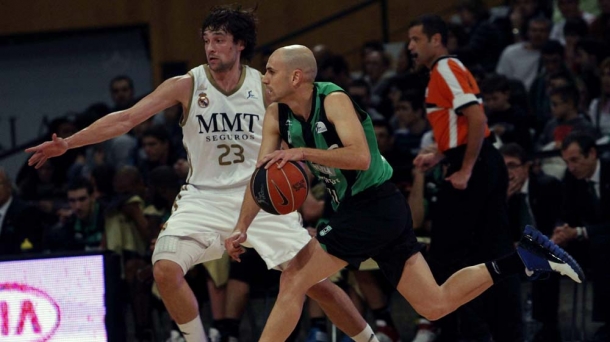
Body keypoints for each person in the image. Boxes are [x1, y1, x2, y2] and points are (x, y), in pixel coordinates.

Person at [25, 5, 377, 342]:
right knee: (164, 268)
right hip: (203, 197)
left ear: (240, 44)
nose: (210, 48)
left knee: (316, 283)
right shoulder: (187, 84)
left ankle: (370, 339)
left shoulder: (268, 88)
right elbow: (126, 118)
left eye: (219, 40)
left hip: (262, 197)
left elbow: (301, 138)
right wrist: (69, 143)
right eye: (207, 40)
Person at [223, 43, 584, 342]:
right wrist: (242, 225)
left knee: (294, 279)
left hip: (373, 204)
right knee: (435, 304)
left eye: (270, 70)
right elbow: (262, 176)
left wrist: (301, 152)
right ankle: (522, 257)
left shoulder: (333, 100)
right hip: (369, 211)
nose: (265, 77)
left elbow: (360, 157)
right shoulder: (276, 115)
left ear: (296, 76)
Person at [410, 14, 523, 341]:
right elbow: (463, 127)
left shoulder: (446, 68)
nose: (411, 47)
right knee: (487, 254)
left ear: (436, 40)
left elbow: (476, 117)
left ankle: (466, 333)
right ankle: (497, 332)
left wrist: (465, 169)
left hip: (476, 167)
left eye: (416, 40)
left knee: (446, 257)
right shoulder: (441, 73)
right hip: (475, 161)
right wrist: (441, 155)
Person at [552, 131, 610, 342]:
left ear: (592, 153)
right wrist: (560, 230)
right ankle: (548, 323)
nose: (571, 167)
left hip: (601, 238)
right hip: (590, 240)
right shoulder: (572, 177)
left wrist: (580, 232)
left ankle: (606, 322)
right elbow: (566, 212)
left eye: (575, 160)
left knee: (603, 249)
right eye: (567, 162)